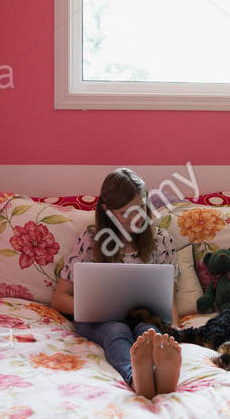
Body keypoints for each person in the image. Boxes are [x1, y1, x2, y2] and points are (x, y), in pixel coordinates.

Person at [50, 168, 181, 398]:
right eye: (125, 213)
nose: (137, 219)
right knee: (116, 330)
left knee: (149, 332)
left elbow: (168, 299)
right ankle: (135, 377)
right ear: (107, 211)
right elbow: (59, 298)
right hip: (101, 321)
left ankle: (160, 373)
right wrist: (93, 308)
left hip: (144, 316)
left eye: (140, 209)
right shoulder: (90, 241)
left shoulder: (161, 241)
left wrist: (175, 332)